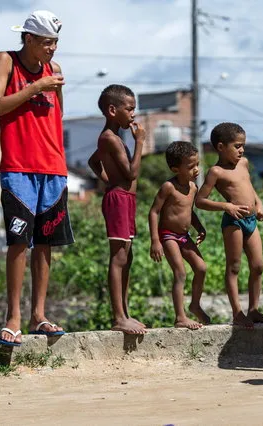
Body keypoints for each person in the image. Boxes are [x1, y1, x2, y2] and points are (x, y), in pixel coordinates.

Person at [0, 10, 71, 346]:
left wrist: (59, 161)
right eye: (47, 42)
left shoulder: (56, 71)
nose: (52, 48)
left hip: (53, 166)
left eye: (55, 42)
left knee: (46, 243)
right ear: (29, 39)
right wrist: (36, 86)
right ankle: (14, 318)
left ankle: (40, 316)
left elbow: (58, 114)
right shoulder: (6, 60)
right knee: (19, 241)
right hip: (18, 165)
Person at [195, 122, 263, 329]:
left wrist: (259, 203)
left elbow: (249, 187)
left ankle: (254, 310)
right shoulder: (216, 172)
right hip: (233, 222)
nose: (242, 150)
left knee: (258, 265)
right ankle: (237, 312)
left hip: (251, 220)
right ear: (221, 147)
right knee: (234, 266)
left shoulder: (244, 163)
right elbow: (200, 201)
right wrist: (226, 206)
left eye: (243, 146)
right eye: (237, 146)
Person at [88, 84, 146, 334]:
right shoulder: (109, 138)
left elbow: (93, 161)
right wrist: (141, 143)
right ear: (113, 110)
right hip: (119, 200)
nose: (133, 114)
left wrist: (107, 178)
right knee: (119, 256)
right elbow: (132, 172)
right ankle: (119, 317)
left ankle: (125, 312)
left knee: (128, 257)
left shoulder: (113, 139)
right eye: (129, 109)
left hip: (125, 199)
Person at [148, 141, 210, 330]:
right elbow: (153, 212)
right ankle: (180, 317)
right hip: (168, 236)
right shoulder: (169, 187)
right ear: (176, 168)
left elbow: (189, 213)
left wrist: (200, 228)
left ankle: (194, 305)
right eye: (191, 166)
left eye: (197, 164)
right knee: (180, 273)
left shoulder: (193, 188)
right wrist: (155, 241)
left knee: (201, 268)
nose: (196, 170)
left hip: (184, 236)